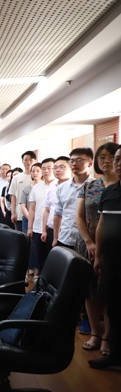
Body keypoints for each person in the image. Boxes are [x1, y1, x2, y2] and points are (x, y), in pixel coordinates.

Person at [76, 143, 118, 356]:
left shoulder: (118, 187)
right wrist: (89, 242)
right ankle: (95, 332)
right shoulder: (90, 186)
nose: (106, 160)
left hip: (113, 248)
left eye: (111, 156)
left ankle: (108, 336)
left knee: (110, 292)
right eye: (102, 156)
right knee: (89, 290)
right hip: (88, 245)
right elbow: (79, 217)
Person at [89, 146, 121, 370]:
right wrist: (98, 255)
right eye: (117, 159)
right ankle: (115, 355)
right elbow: (101, 224)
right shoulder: (109, 192)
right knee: (115, 308)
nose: (118, 163)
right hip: (111, 260)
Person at [53, 148, 94, 249]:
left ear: (90, 164)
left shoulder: (96, 187)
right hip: (64, 239)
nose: (74, 164)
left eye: (79, 160)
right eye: (72, 161)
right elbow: (58, 214)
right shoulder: (62, 187)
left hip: (87, 242)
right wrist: (56, 237)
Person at [28, 158, 56, 273]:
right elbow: (32, 209)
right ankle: (40, 280)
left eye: (49, 168)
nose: (46, 171)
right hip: (37, 227)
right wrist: (30, 227)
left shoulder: (58, 186)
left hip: (53, 229)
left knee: (53, 258)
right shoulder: (36, 187)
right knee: (40, 258)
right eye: (43, 168)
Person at [42, 156, 71, 263]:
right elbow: (47, 210)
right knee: (51, 262)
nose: (57, 170)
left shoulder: (76, 187)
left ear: (71, 168)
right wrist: (44, 230)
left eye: (62, 167)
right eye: (55, 167)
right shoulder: (52, 187)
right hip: (51, 230)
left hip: (66, 233)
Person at [20, 162, 42, 278]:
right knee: (28, 245)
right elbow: (23, 205)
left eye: (38, 171)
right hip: (27, 220)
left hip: (41, 221)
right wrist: (31, 219)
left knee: (37, 247)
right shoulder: (26, 189)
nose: (35, 173)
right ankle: (28, 271)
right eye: (33, 171)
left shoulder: (46, 187)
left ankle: (37, 272)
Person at [8, 151, 36, 230]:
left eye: (31, 160)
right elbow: (13, 196)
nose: (28, 162)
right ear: (22, 161)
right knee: (20, 236)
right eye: (26, 160)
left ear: (35, 161)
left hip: (36, 216)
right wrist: (13, 213)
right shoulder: (16, 178)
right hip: (20, 214)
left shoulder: (39, 177)